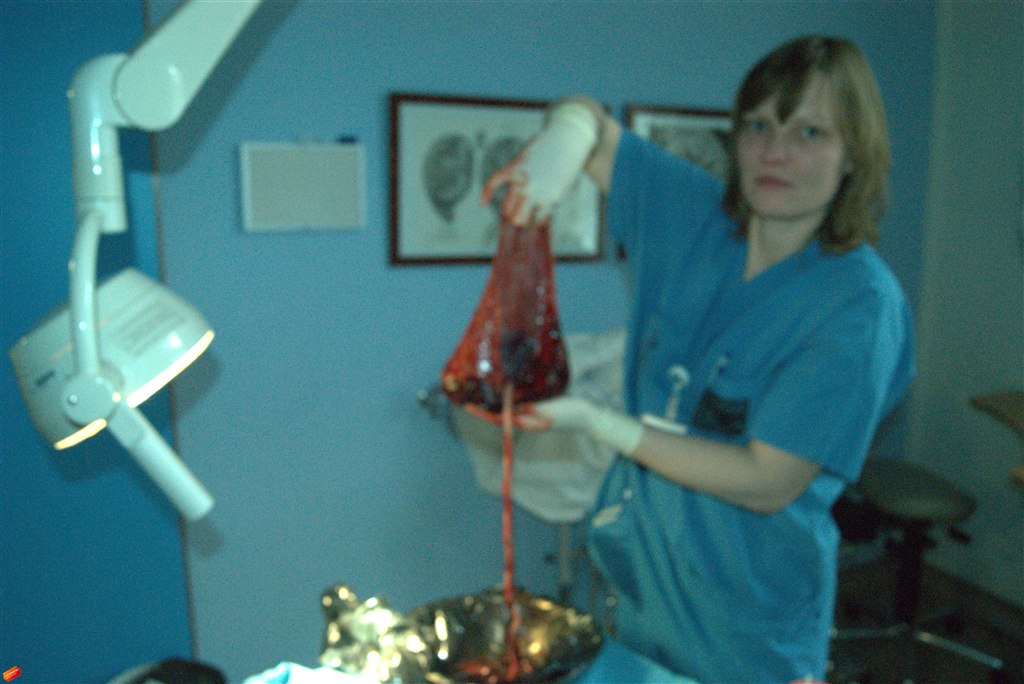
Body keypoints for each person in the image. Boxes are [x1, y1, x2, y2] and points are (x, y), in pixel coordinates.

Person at [479, 35, 915, 682]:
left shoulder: (858, 305)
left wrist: (603, 424)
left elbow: (767, 480)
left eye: (809, 132)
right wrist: (564, 141)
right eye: (759, 125)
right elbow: (589, 119)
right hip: (645, 592)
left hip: (748, 620)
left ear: (854, 154)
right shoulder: (694, 215)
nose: (774, 152)